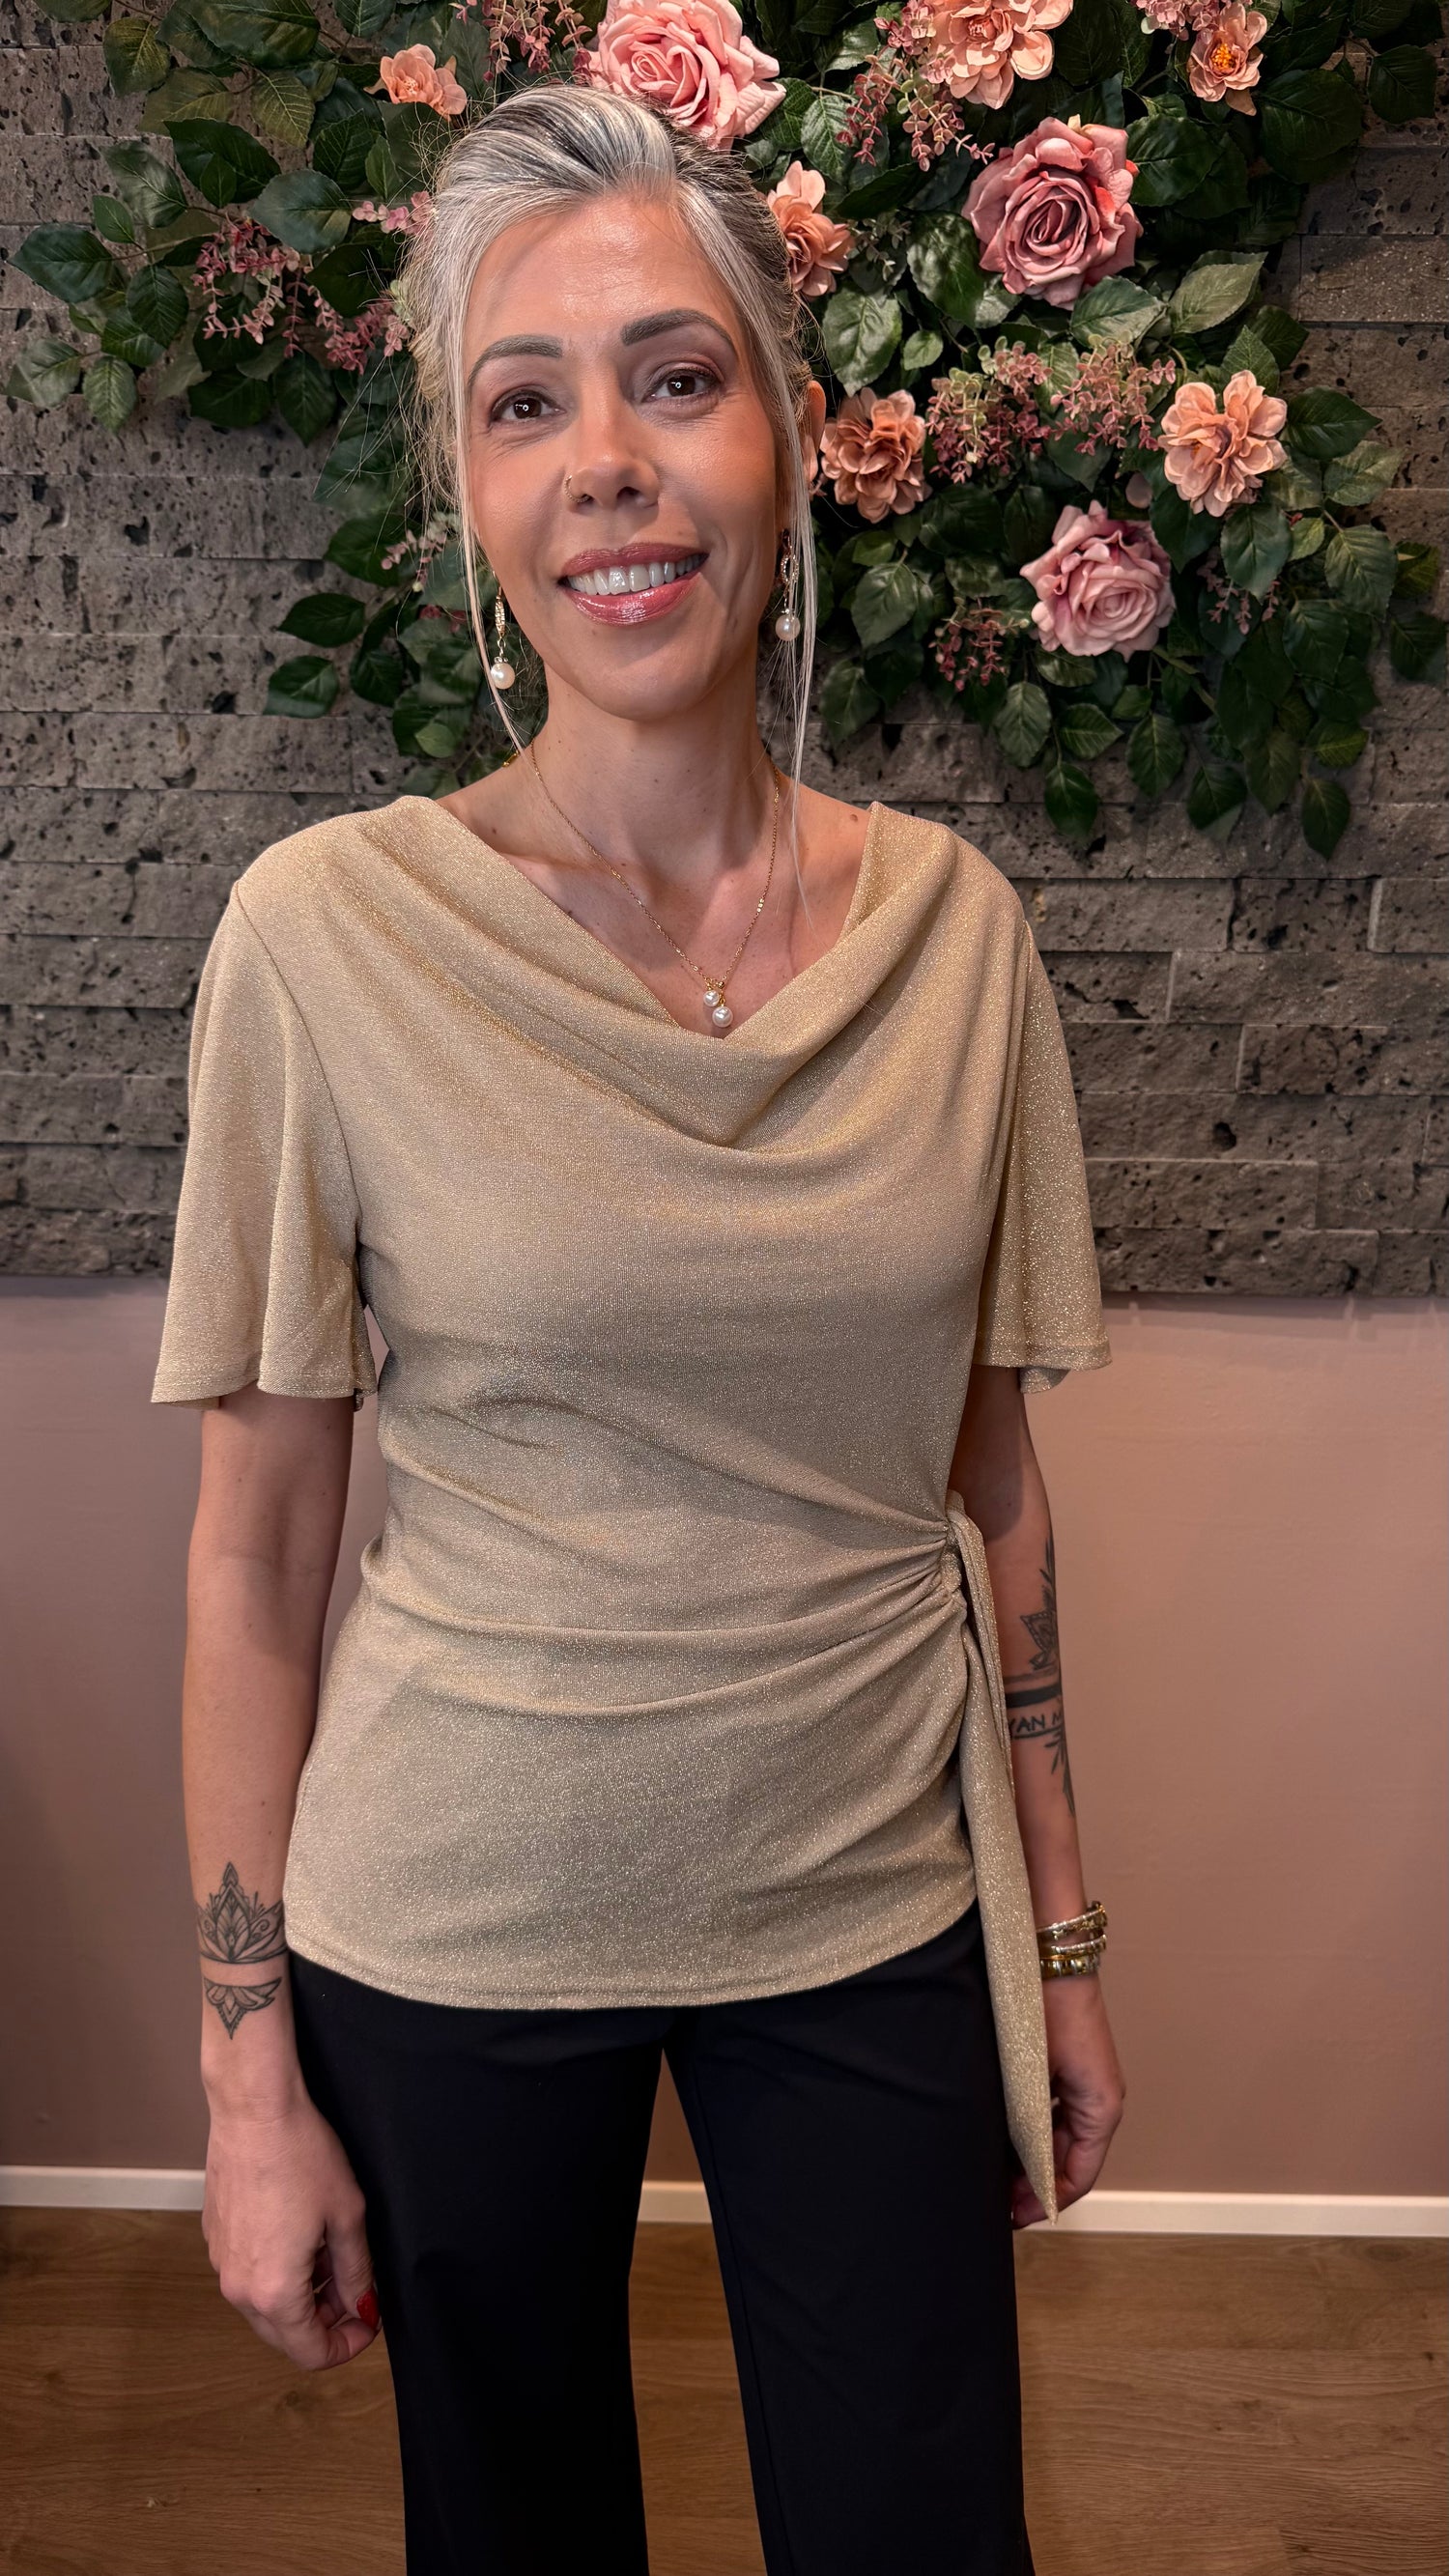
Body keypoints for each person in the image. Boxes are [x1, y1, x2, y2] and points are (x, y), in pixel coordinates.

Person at [153, 80, 1125, 2576]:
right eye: (525, 401)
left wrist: (1060, 1938)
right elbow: (254, 1554)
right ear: (471, 501)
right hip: (453, 1916)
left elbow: (990, 1487)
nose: (607, 458)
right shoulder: (323, 940)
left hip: (869, 1897)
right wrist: (247, 2075)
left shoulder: (961, 942)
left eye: (675, 377)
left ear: (782, 440)